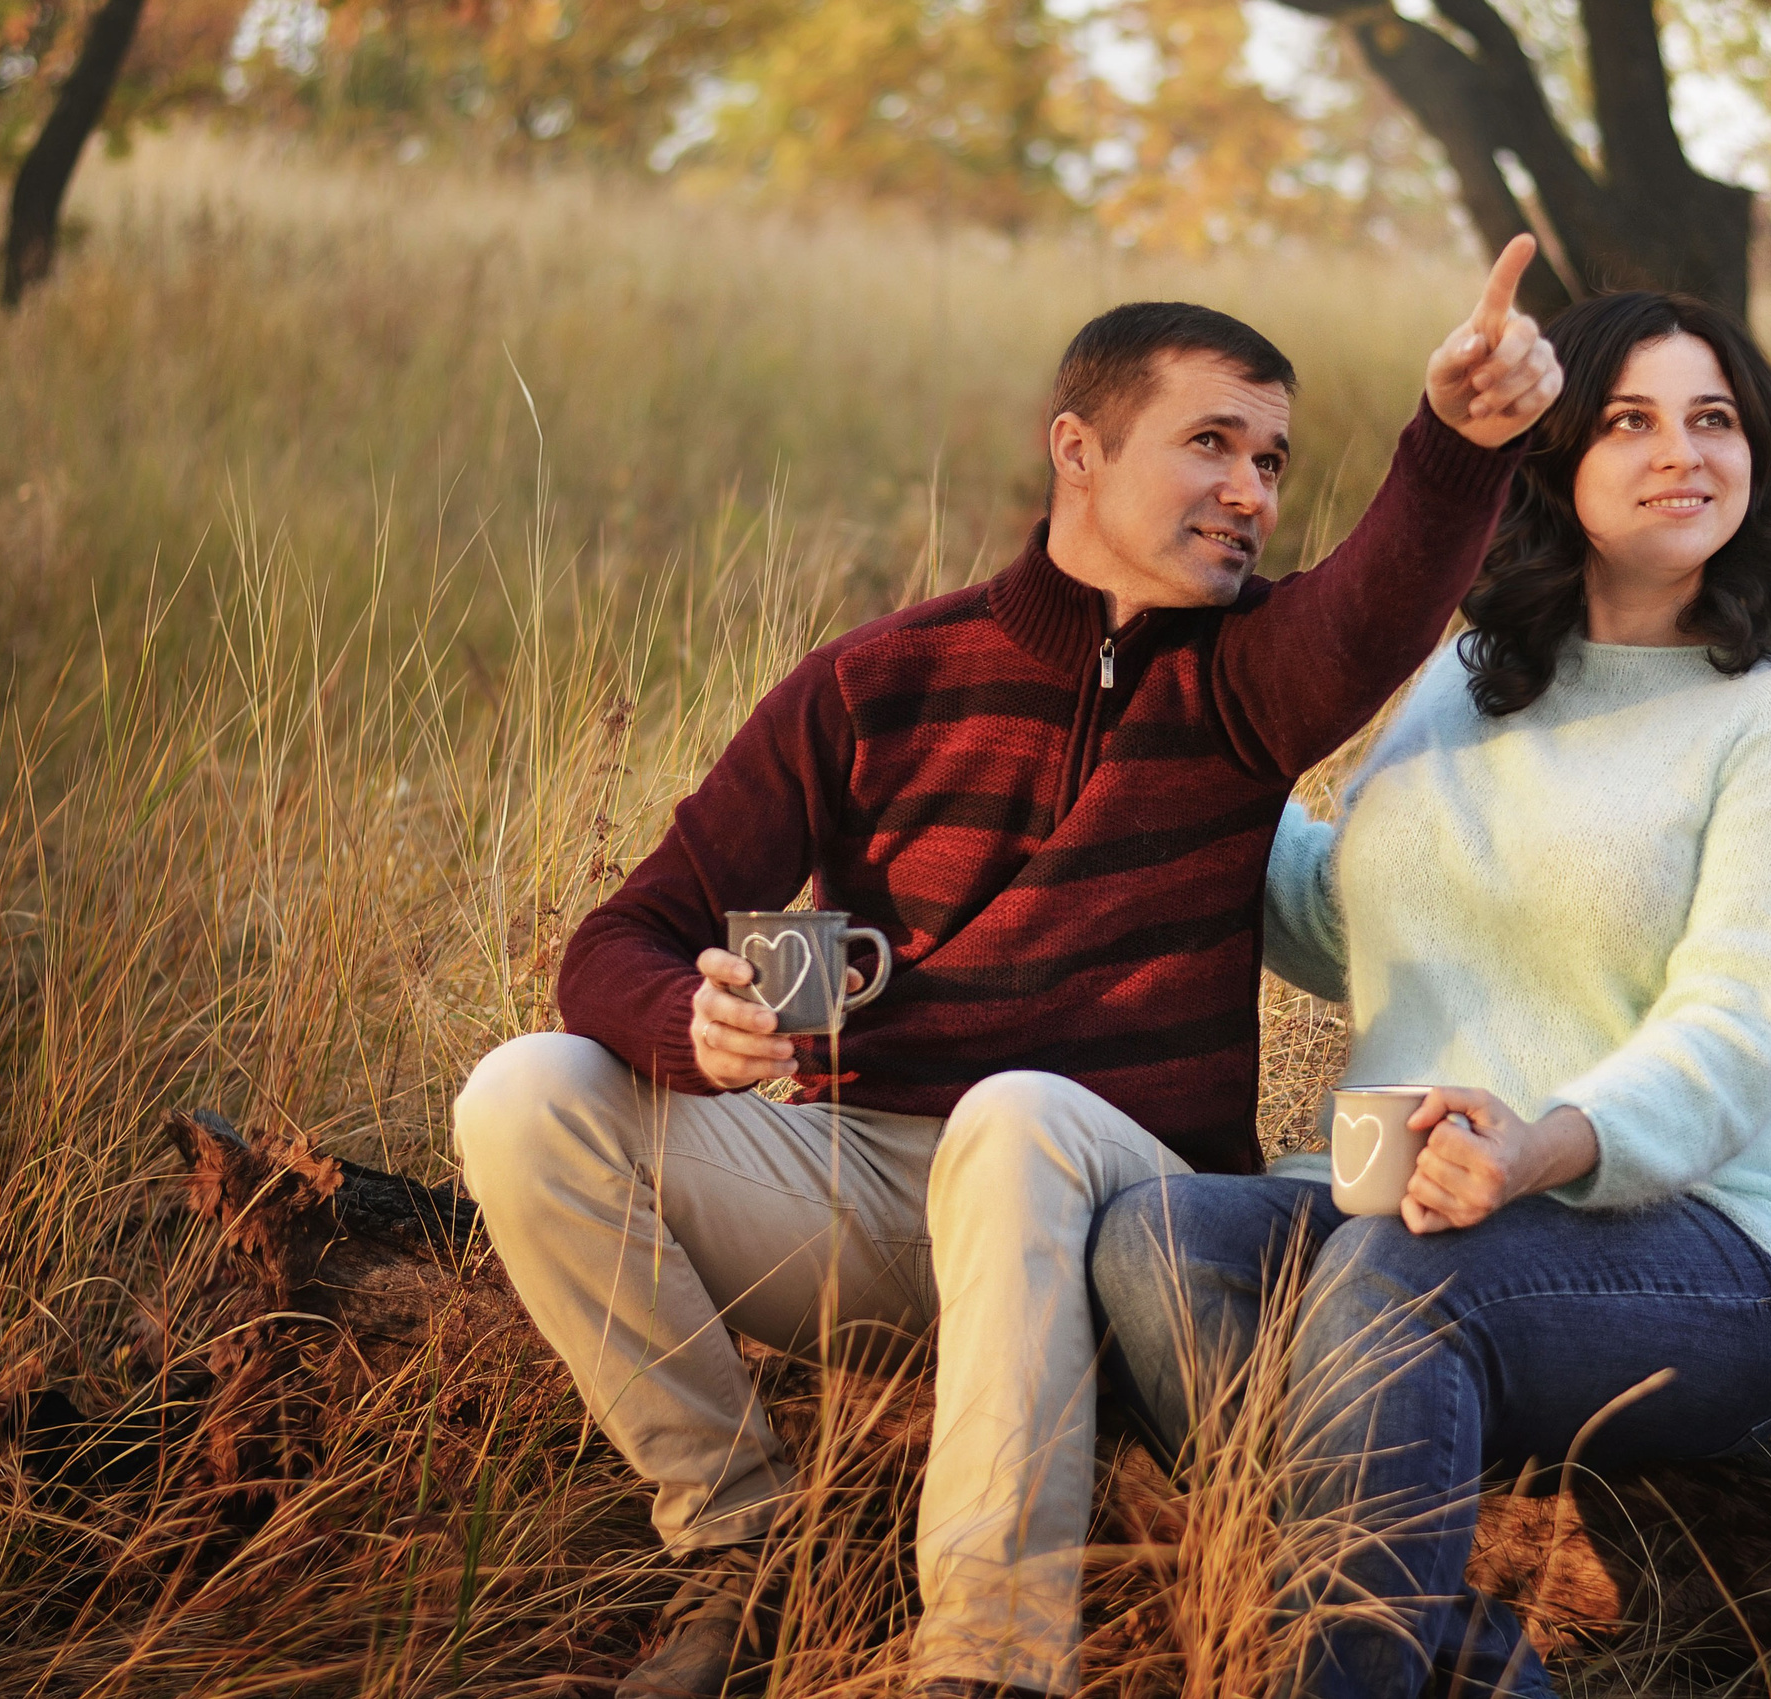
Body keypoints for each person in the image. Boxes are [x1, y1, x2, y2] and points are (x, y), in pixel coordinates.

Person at [450, 240, 1563, 1698]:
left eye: (1275, 461)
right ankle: (738, 1538)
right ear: (1079, 451)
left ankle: (985, 1661)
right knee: (523, 1092)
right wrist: (691, 1023)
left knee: (1018, 1110)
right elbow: (620, 938)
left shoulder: (1245, 678)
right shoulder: (874, 682)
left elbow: (1376, 604)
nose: (1251, 489)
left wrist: (1460, 446)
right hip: (867, 1189)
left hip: (1119, 1216)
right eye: (1211, 443)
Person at [1088, 290, 1771, 1699]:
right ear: (1560, 456)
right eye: (1631, 421)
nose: (1681, 454)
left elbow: (1738, 1032)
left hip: (1690, 1243)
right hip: (1411, 1189)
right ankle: (1459, 1664)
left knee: (1405, 1278)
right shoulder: (1470, 679)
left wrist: (1535, 1148)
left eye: (1714, 421)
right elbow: (1351, 918)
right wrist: (1177, 733)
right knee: (1159, 1239)